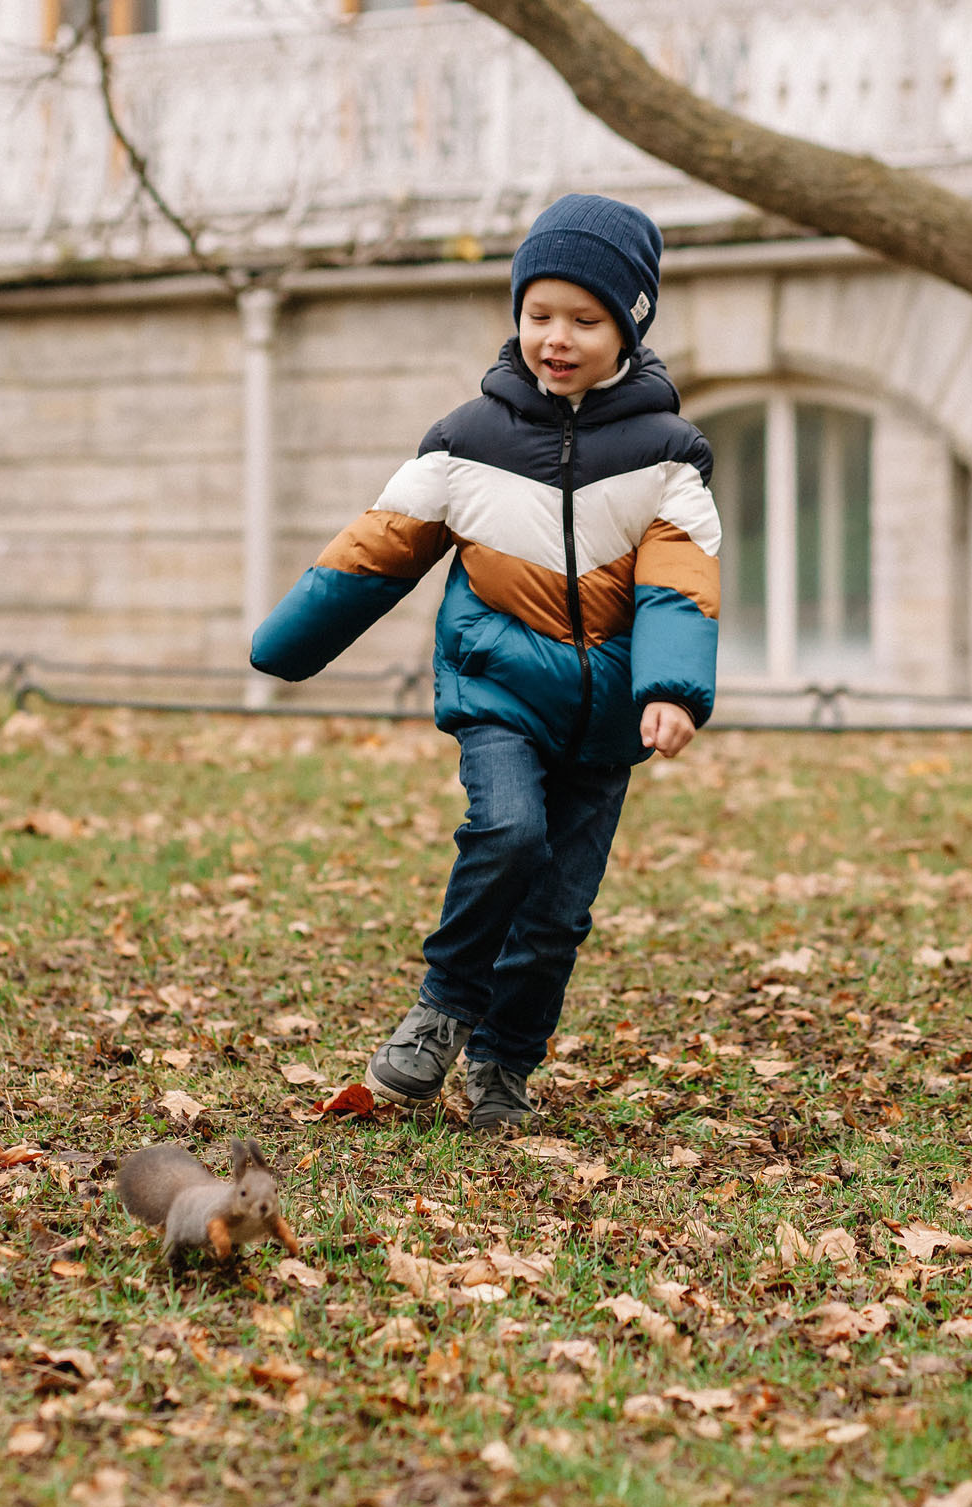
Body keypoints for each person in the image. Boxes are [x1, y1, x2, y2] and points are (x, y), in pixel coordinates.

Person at [250, 193, 722, 1132]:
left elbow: (680, 579)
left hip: (605, 723)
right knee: (508, 832)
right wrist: (288, 643)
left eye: (584, 320)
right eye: (539, 314)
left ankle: (503, 1063)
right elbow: (378, 547)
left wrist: (671, 689)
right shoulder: (467, 441)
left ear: (629, 328)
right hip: (499, 690)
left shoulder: (668, 455)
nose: (557, 338)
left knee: (557, 915)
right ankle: (443, 1008)